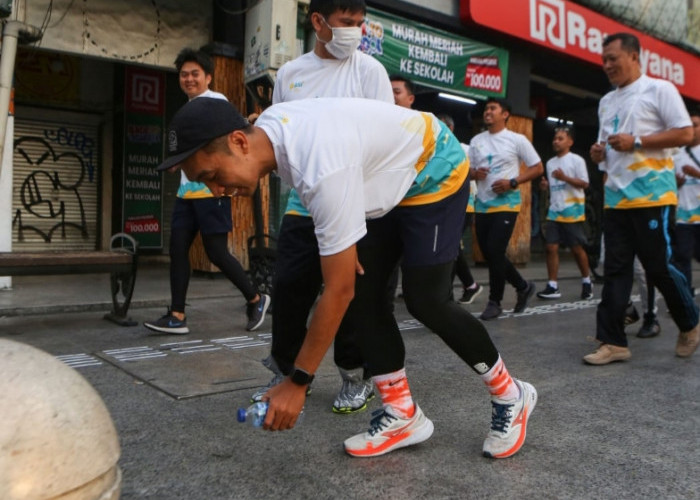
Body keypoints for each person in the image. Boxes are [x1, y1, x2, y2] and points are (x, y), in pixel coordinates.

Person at [158, 96, 538, 459]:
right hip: (379, 180)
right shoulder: (268, 130)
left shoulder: (321, 167)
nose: (217, 191)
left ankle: (510, 394)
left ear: (239, 141)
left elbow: (336, 290)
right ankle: (402, 414)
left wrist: (298, 382)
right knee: (364, 297)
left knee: (426, 300)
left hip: (431, 165)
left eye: (212, 175)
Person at [250, 0, 393, 415]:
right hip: (304, 200)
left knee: (348, 292)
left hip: (357, 203)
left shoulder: (370, 72)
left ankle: (355, 375)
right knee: (291, 286)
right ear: (318, 22)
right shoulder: (292, 76)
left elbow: (383, 142)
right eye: (347, 23)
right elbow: (279, 138)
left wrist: (366, 215)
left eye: (360, 23)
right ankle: (285, 372)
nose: (356, 31)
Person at [585, 33, 699, 364]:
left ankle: (690, 322)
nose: (606, 65)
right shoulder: (606, 101)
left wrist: (636, 141)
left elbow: (684, 132)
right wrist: (598, 154)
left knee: (658, 266)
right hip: (616, 198)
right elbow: (606, 150)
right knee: (616, 269)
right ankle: (613, 341)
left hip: (652, 196)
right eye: (603, 59)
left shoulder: (659, 89)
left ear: (634, 56)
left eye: (612, 58)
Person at [143, 49, 269, 335]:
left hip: (213, 192)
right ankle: (177, 315)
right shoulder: (187, 110)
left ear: (208, 77)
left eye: (194, 74)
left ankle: (256, 298)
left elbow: (237, 136)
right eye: (184, 75)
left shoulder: (216, 102)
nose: (189, 79)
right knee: (177, 251)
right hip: (186, 194)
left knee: (216, 252)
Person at [469, 98, 544, 320]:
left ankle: (495, 301)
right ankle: (522, 286)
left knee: (494, 250)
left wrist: (512, 182)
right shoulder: (476, 141)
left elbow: (537, 168)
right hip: (482, 204)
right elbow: (469, 171)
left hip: (506, 203)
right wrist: (475, 174)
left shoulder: (516, 140)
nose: (488, 112)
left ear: (505, 114)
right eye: (486, 109)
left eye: (493, 108)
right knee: (491, 253)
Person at [537, 126, 593, 300]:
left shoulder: (577, 160)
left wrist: (565, 178)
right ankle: (552, 286)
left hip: (573, 210)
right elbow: (553, 188)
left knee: (576, 248)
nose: (556, 141)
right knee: (550, 247)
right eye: (555, 138)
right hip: (555, 209)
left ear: (570, 142)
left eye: (560, 138)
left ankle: (586, 282)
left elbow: (584, 183)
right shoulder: (550, 163)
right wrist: (544, 188)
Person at [436, 113, 482, 304]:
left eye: (441, 126)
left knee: (450, 245)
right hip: (444, 204)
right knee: (451, 246)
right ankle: (467, 285)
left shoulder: (465, 149)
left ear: (451, 128)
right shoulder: (437, 149)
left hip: (465, 205)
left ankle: (455, 289)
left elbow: (478, 171)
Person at [673, 107, 700, 295]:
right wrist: (676, 182)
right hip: (682, 217)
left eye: (696, 125)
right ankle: (685, 295)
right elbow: (668, 183)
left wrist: (696, 173)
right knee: (682, 257)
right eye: (689, 125)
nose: (692, 128)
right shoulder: (677, 154)